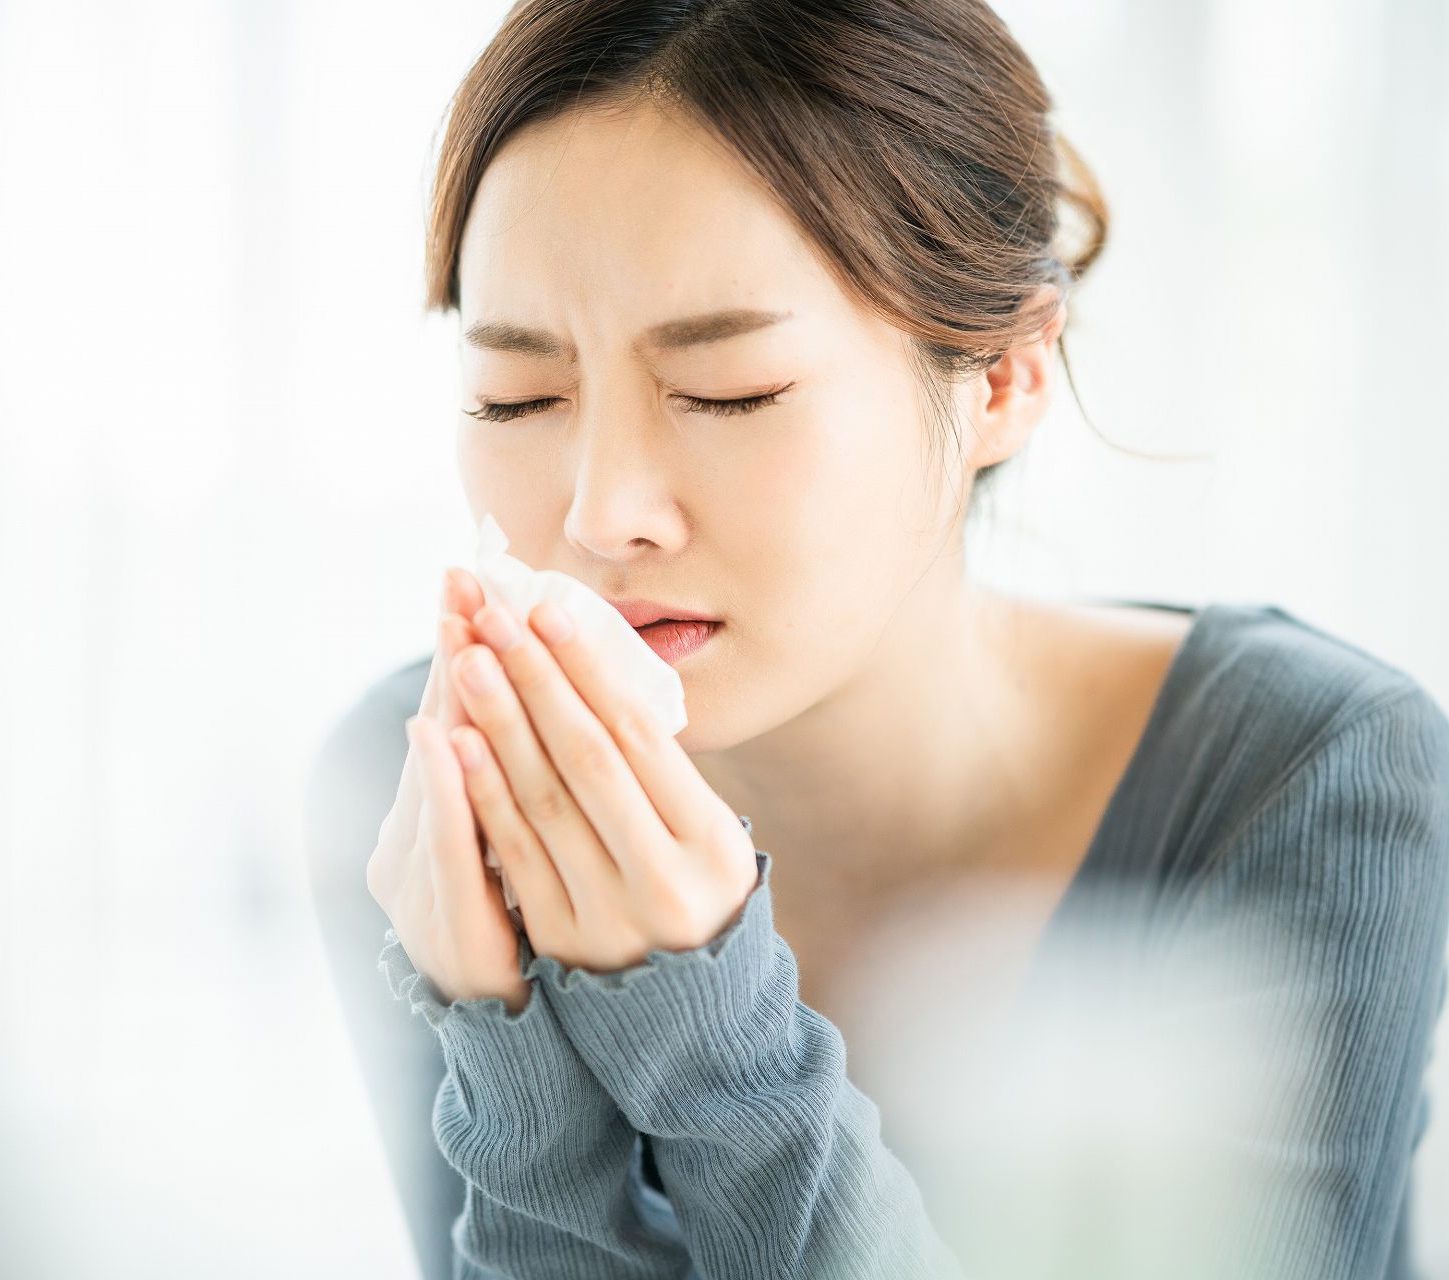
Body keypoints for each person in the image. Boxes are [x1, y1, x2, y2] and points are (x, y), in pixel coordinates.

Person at [305, 2, 1449, 1276]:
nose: (598, 512)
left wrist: (711, 1046)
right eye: (515, 396)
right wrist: (515, 1062)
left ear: (1004, 377)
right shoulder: (427, 791)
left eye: (728, 391)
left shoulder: (1315, 777)